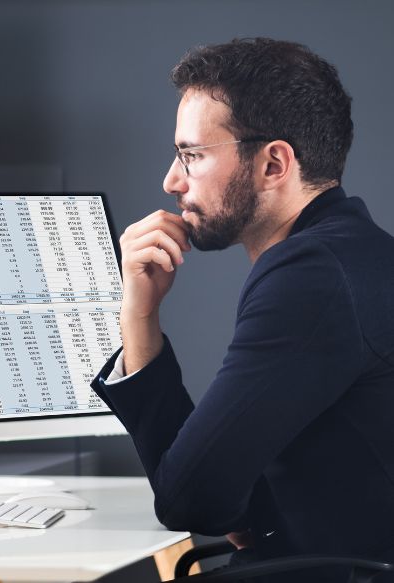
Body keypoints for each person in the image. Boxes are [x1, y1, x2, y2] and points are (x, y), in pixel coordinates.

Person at [91, 38, 394, 582]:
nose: (172, 181)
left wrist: (138, 320)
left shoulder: (312, 276)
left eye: (192, 155)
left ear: (273, 163)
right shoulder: (352, 252)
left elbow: (192, 500)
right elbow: (225, 497)